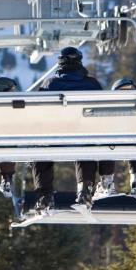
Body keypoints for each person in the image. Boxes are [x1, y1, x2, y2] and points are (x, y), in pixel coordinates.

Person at [31, 47, 103, 211]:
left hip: (55, 137)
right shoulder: (92, 84)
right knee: (88, 146)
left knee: (40, 150)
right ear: (79, 62)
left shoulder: (50, 84)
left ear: (60, 62)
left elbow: (38, 111)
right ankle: (85, 190)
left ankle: (45, 196)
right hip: (84, 136)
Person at [96, 78, 136, 197]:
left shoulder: (108, 107)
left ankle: (107, 182)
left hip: (111, 143)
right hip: (135, 142)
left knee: (106, 142)